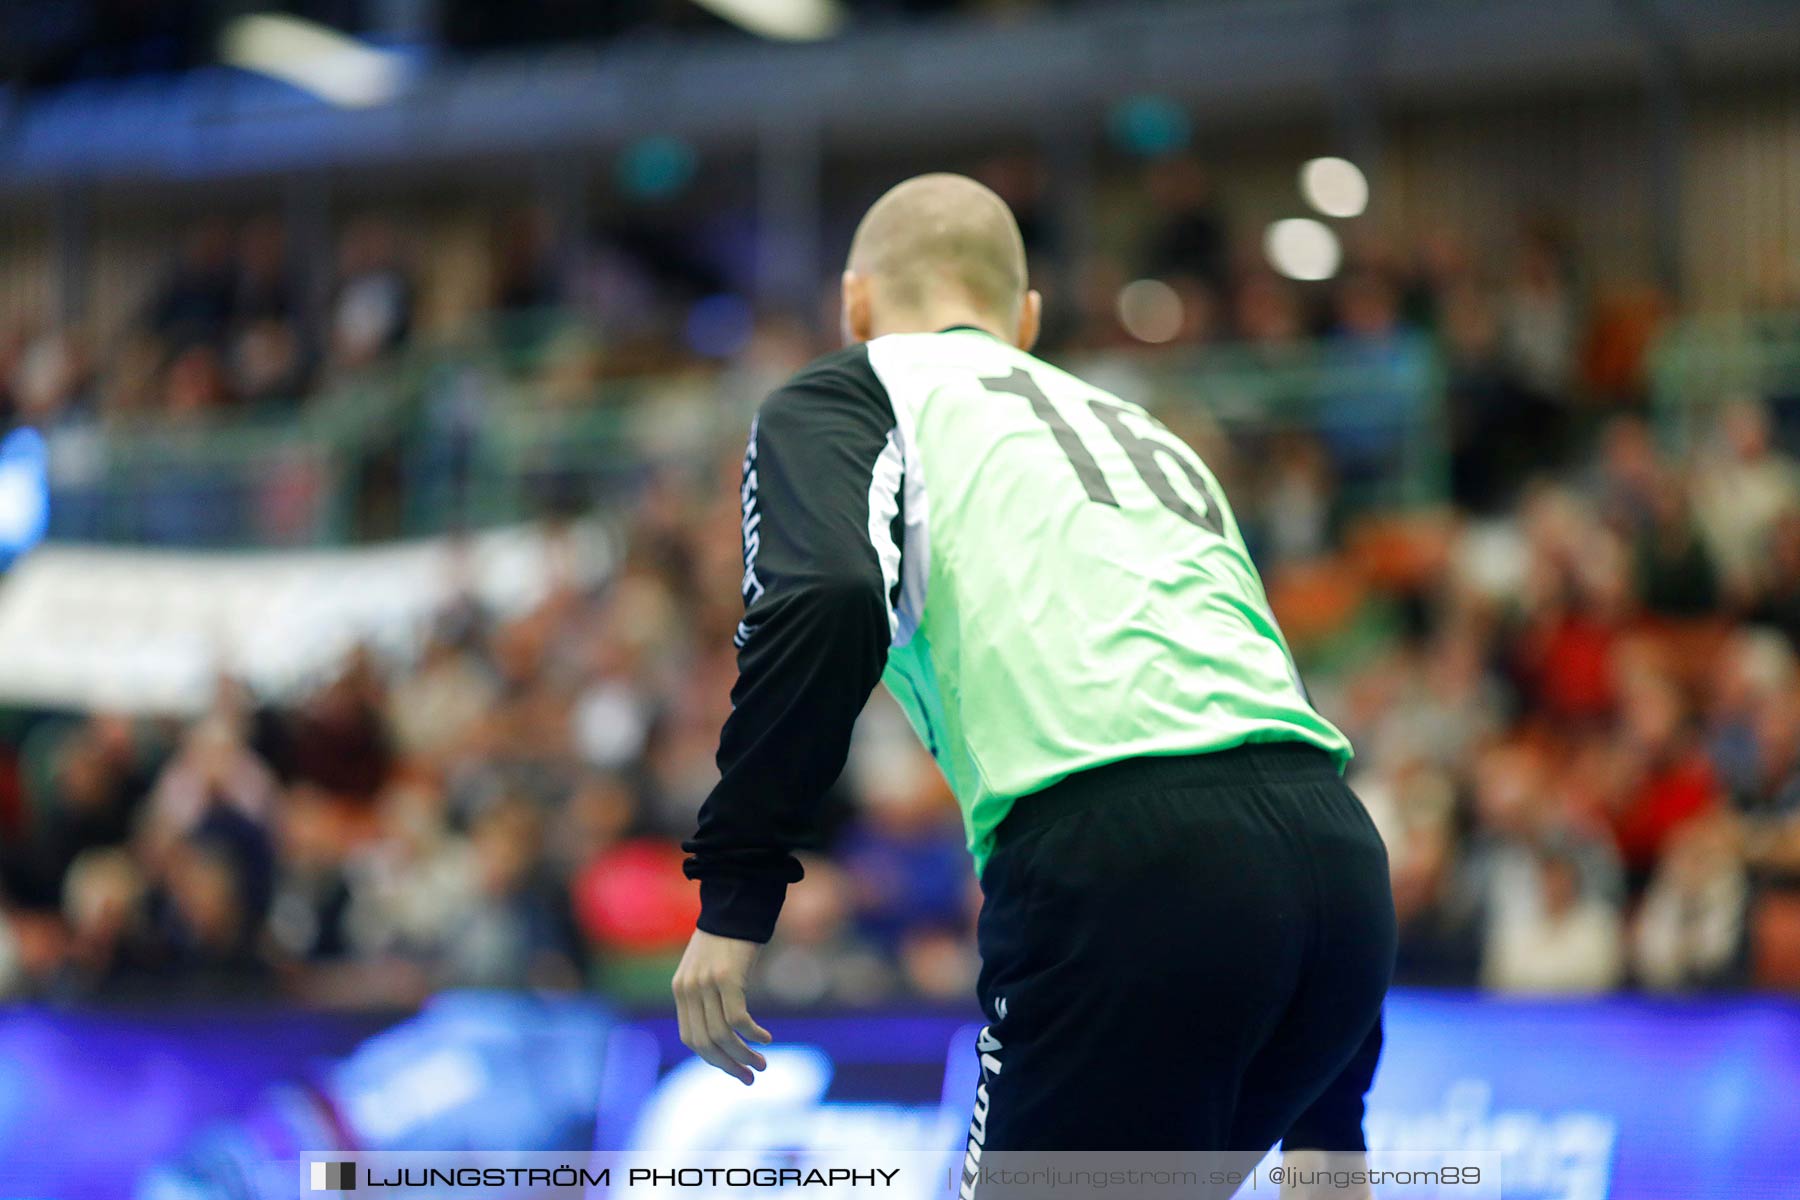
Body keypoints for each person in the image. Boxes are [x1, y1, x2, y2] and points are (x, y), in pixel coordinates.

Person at [674, 174, 1394, 1170]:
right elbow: (1255, 694)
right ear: (1027, 318)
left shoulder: (852, 387)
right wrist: (1331, 1122)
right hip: (1339, 869)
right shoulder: (1153, 432)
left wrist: (737, 889)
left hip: (1125, 868)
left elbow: (824, 597)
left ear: (855, 301)